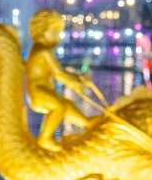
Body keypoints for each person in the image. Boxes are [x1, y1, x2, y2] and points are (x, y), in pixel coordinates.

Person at [25, 8, 103, 149]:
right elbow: (58, 74)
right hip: (39, 93)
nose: (59, 37)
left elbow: (60, 71)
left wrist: (77, 78)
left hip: (45, 93)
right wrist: (74, 84)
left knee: (66, 105)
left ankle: (87, 123)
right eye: (56, 32)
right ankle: (45, 138)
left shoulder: (41, 49)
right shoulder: (42, 50)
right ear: (43, 30)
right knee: (59, 106)